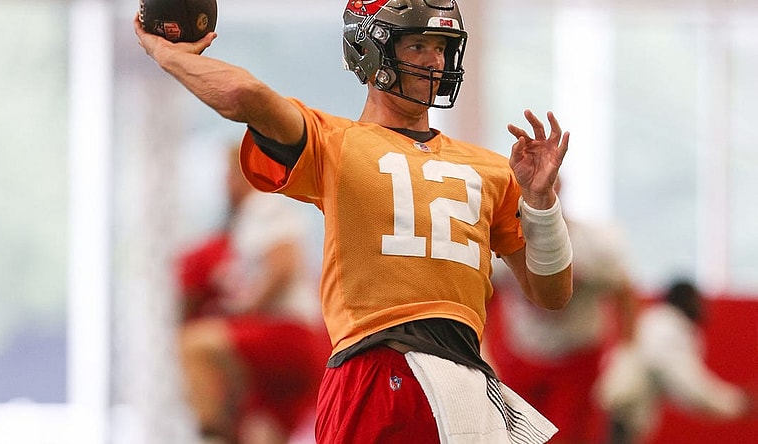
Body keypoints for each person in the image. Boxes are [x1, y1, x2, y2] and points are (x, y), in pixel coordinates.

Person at [136, 1, 574, 443]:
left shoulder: (493, 168)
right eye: (418, 44)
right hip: (376, 363)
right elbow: (246, 97)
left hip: (466, 376)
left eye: (441, 46)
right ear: (370, 52)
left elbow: (552, 293)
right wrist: (169, 55)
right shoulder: (336, 142)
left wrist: (541, 202)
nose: (435, 60)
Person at [176, 145, 328, 444]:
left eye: (229, 175)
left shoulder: (266, 206)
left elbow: (284, 265)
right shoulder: (246, 222)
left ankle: (213, 434)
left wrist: (246, 308)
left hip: (286, 334)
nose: (225, 184)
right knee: (261, 433)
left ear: (245, 173)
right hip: (288, 344)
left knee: (194, 345)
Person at [484, 178, 639, 444]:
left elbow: (623, 293)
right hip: (521, 356)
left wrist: (627, 352)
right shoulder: (504, 239)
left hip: (576, 361)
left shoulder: (591, 245)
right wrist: (479, 346)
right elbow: (482, 292)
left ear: (559, 189)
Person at [596, 279, 753, 444]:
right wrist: (739, 404)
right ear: (689, 301)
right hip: (613, 421)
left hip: (612, 415)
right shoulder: (669, 331)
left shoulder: (655, 322)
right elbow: (693, 390)